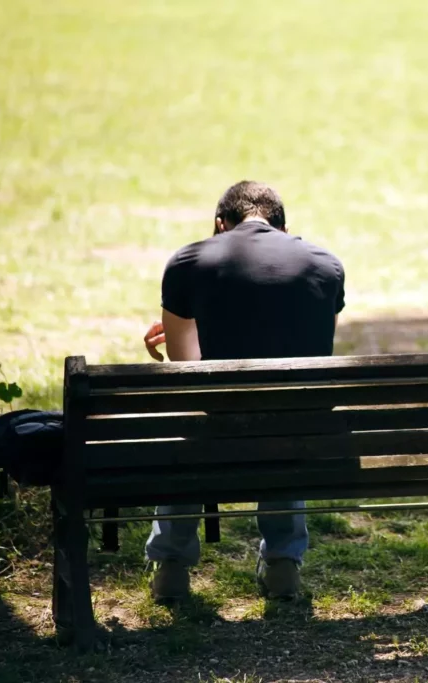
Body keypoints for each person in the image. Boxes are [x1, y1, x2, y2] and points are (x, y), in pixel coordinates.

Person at [142, 180, 345, 602]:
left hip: (217, 433)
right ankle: (283, 565)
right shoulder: (326, 266)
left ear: (221, 224)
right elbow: (311, 350)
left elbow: (186, 377)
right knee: (288, 411)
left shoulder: (187, 262)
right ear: (283, 227)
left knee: (190, 425)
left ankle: (172, 567)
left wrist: (192, 325)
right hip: (297, 433)